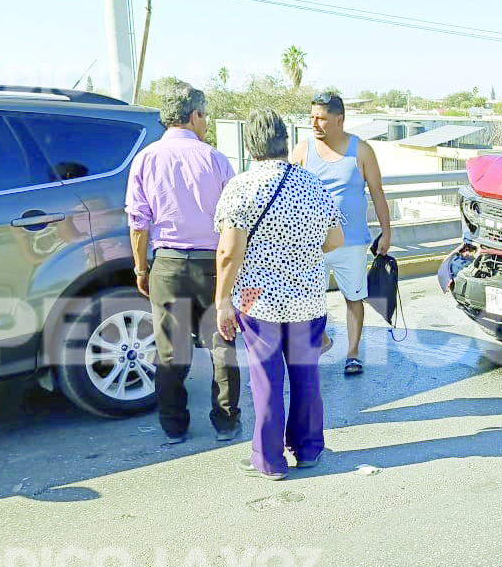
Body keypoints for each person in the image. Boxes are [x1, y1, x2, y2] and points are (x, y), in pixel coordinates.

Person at [215, 109, 343, 480]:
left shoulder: (241, 187)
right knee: (306, 375)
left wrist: (223, 302)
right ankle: (308, 449)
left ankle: (269, 460)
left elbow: (228, 253)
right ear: (284, 142)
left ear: (250, 145)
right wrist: (297, 255)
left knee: (266, 378)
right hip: (308, 294)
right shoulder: (313, 184)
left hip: (257, 296)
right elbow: (334, 239)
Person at [126, 80, 242, 446]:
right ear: (193, 116)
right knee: (222, 343)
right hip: (213, 264)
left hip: (168, 264)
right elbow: (235, 221)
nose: (206, 122)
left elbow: (138, 222)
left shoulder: (145, 159)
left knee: (172, 348)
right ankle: (225, 421)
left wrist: (141, 268)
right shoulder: (216, 159)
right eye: (205, 115)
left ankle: (174, 425)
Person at [290, 91, 392, 376]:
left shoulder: (361, 150)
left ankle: (353, 353)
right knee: (310, 299)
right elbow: (288, 195)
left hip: (351, 242)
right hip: (311, 245)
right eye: (311, 118)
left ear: (339, 119)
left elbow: (377, 192)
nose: (314, 123)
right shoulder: (302, 150)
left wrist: (386, 232)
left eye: (321, 118)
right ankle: (318, 342)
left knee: (353, 297)